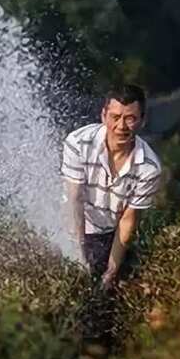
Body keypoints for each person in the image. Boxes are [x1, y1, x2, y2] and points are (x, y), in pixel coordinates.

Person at [60, 84, 163, 290]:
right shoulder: (78, 143)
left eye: (130, 118)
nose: (121, 126)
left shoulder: (149, 168)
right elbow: (75, 199)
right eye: (115, 117)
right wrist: (79, 258)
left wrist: (111, 271)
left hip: (108, 233)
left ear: (142, 121)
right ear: (103, 116)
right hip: (72, 227)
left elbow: (128, 220)